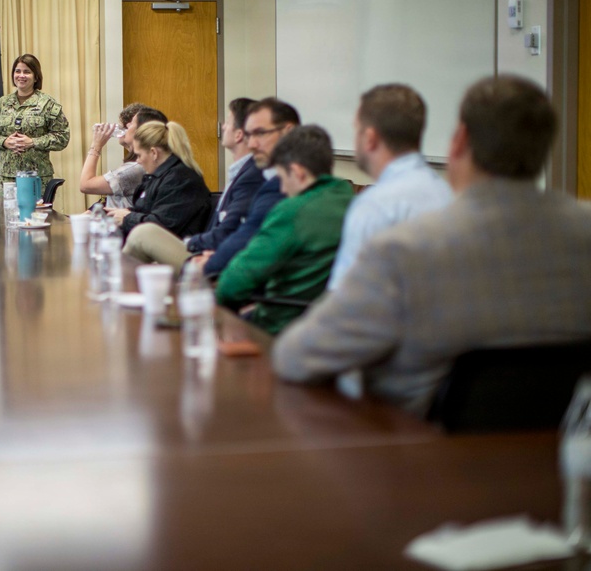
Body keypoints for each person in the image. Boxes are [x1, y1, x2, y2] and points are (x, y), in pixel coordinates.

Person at [272, 76, 591, 416]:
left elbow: (296, 357)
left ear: (459, 140)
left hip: (418, 457)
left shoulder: (405, 250)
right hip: (553, 454)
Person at [215, 125, 353, 335]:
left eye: (282, 177)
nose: (282, 189)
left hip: (278, 325)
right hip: (329, 322)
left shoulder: (293, 211)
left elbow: (234, 282)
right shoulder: (349, 200)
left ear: (297, 173)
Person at [327, 84, 453, 289]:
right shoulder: (446, 194)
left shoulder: (373, 206)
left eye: (356, 130)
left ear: (370, 138)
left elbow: (345, 300)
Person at [122, 98, 264, 267]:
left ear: (239, 134)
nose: (223, 126)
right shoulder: (240, 173)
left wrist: (191, 244)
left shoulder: (182, 178)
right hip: (208, 249)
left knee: (143, 234)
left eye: (227, 122)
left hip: (212, 259)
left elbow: (231, 232)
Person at [193, 98, 298, 278]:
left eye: (260, 134)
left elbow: (246, 241)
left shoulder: (279, 187)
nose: (252, 144)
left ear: (288, 131)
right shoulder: (272, 181)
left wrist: (210, 262)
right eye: (251, 135)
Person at [105, 120, 211, 239]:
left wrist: (127, 218)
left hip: (176, 246)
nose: (138, 161)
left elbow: (162, 226)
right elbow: (144, 211)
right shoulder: (158, 177)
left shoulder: (180, 179)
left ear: (154, 153)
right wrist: (111, 214)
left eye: (139, 155)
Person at [0, 53, 70, 192]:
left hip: (37, 179)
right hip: (8, 179)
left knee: (36, 214)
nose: (21, 75)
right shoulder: (2, 103)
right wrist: (5, 142)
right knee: (7, 214)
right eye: (17, 71)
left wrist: (33, 142)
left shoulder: (47, 104)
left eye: (27, 72)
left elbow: (62, 137)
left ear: (36, 76)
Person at [79, 104, 167, 209]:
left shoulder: (136, 168)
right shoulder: (137, 163)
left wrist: (96, 145)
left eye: (131, 124)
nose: (126, 126)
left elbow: (85, 185)